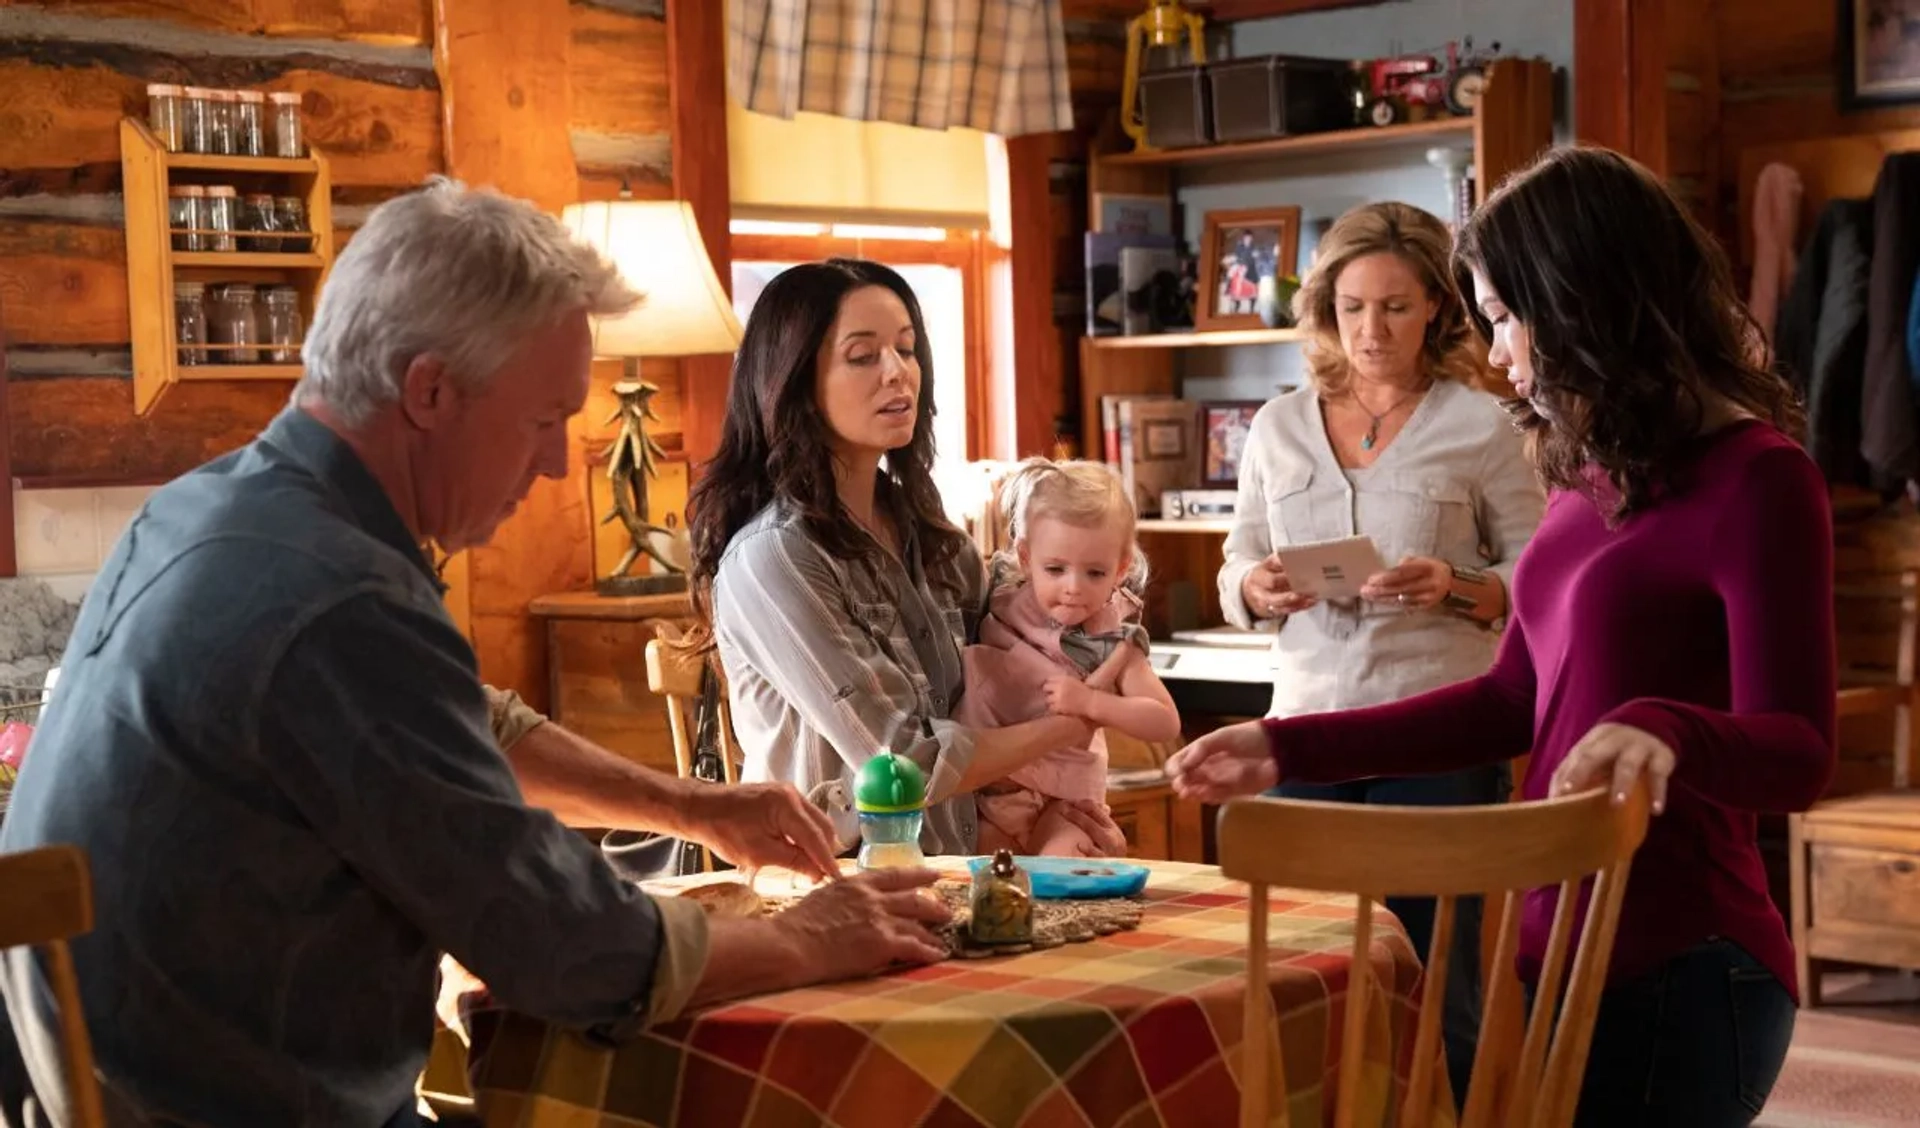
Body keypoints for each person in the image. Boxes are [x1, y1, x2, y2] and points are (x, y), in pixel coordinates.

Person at [0, 180, 955, 1128]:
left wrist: (690, 804)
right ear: (429, 391)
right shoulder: (333, 598)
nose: (548, 467)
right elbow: (566, 949)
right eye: (544, 420)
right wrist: (804, 944)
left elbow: (466, 724)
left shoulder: (217, 508)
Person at [1170, 146, 1834, 1126]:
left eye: (1508, 320)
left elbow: (1803, 754)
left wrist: (1670, 729)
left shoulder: (1760, 478)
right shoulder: (1586, 473)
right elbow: (1508, 701)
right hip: (1552, 945)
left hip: (1683, 961)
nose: (1504, 353)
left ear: (1584, 302)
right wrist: (1285, 744)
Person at [1217, 200, 1544, 1098]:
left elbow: (1538, 576)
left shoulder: (1483, 426)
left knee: (1438, 985)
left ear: (1439, 306)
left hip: (1438, 731)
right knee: (1307, 977)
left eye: (1395, 307)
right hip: (1309, 727)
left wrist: (1460, 585)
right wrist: (1254, 589)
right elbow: (1237, 558)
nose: (1371, 329)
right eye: (1353, 306)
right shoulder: (1278, 425)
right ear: (1326, 309)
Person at [688, 259, 1124, 858]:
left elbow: (1031, 661)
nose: (898, 373)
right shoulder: (775, 558)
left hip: (972, 871)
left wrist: (1059, 819)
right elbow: (903, 762)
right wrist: (1076, 723)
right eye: (863, 356)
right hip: (835, 890)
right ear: (797, 384)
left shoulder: (937, 540)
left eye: (907, 349)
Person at [953, 459, 1181, 856]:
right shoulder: (998, 600)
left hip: (1064, 805)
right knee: (989, 896)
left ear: (1121, 567)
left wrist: (1092, 703)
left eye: (1095, 573)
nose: (1073, 588)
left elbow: (1164, 721)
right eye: (1055, 569)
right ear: (1025, 558)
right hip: (986, 794)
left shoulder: (1113, 642)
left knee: (1061, 880)